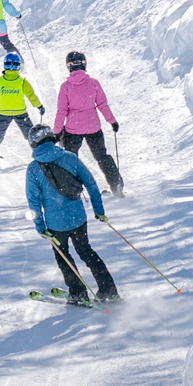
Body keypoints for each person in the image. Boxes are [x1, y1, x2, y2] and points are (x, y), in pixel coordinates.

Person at [25, 125, 120, 306]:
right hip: (78, 218)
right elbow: (91, 185)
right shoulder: (70, 157)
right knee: (86, 251)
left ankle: (78, 293)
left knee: (63, 256)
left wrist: (40, 226)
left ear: (34, 143)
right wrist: (99, 211)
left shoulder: (34, 169)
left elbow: (33, 201)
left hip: (55, 224)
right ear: (52, 138)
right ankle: (109, 289)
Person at [52, 50, 124, 196]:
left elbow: (62, 111)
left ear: (69, 66)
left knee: (70, 158)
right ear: (84, 64)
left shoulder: (66, 87)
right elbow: (103, 104)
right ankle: (116, 185)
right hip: (93, 127)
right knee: (102, 156)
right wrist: (112, 121)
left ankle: (72, 190)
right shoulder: (93, 83)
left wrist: (57, 131)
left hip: (73, 129)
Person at [0, 52, 44, 165]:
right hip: (20, 112)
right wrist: (39, 106)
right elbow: (31, 95)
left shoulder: (0, 81)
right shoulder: (22, 81)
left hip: (4, 113)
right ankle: (40, 152)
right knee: (30, 133)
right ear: (18, 66)